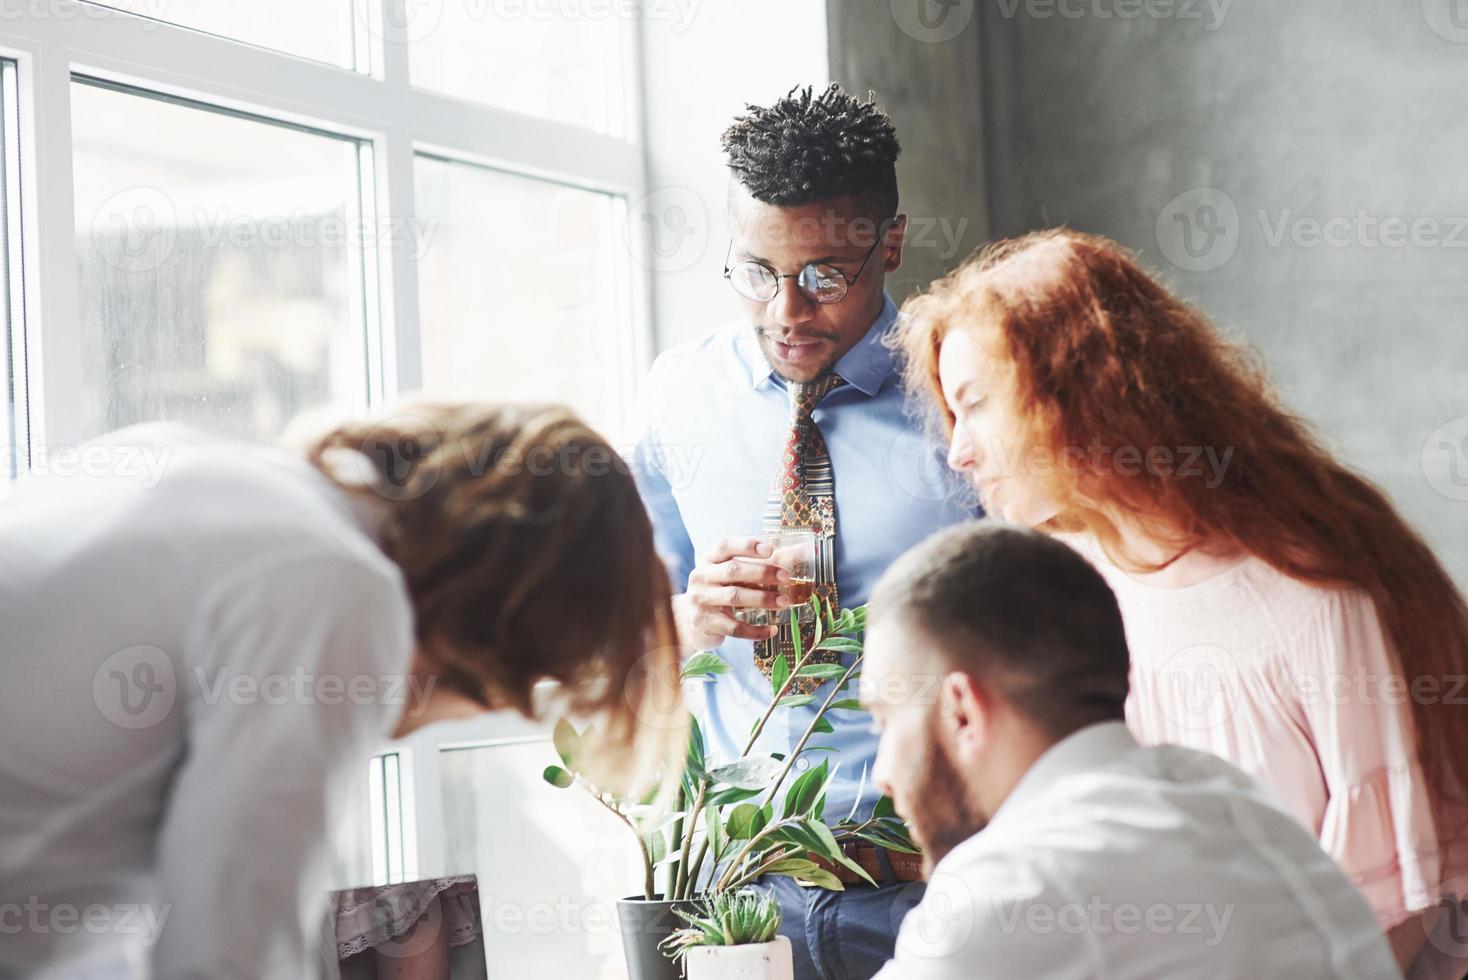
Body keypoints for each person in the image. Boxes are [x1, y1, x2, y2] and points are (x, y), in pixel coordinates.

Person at [895, 228, 1468, 977]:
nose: (959, 450)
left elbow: (1384, 919)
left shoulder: (1313, 593)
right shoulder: (1063, 586)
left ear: (1080, 389)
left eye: (976, 405)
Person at [0, 402, 681, 980]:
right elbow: (223, 954)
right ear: (491, 627)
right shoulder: (333, 586)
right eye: (497, 695)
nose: (408, 725)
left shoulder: (200, 469)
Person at [630, 84, 975, 979]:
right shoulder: (679, 393)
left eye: (824, 275)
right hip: (735, 901)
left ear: (889, 245)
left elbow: (1063, 634)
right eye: (756, 271)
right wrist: (693, 617)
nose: (785, 310)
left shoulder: (966, 395)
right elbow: (616, 639)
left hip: (934, 888)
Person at [863, 521, 1403, 979]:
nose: (882, 775)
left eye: (885, 721)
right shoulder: (1233, 798)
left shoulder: (1006, 893)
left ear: (962, 710)